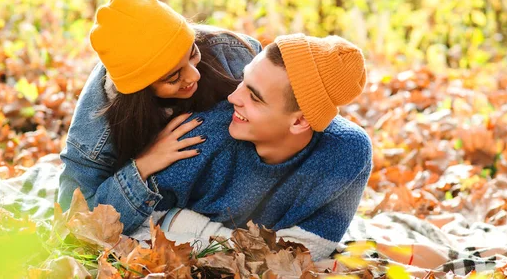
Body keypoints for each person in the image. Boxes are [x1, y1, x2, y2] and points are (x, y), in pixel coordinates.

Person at [135, 34, 373, 260]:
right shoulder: (198, 136)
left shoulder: (347, 152)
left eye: (255, 97)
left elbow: (307, 250)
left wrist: (188, 226)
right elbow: (140, 228)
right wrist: (254, 248)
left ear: (300, 121)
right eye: (243, 80)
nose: (233, 98)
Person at [58, 0, 261, 233]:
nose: (193, 75)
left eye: (192, 53)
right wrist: (145, 164)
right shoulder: (99, 122)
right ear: (141, 90)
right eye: (173, 77)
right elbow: (73, 221)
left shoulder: (231, 53)